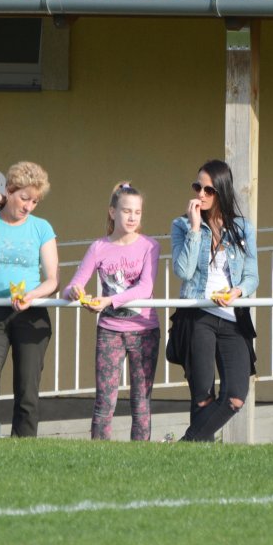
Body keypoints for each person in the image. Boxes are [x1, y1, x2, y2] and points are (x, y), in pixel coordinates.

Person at [63, 183, 160, 441]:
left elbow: (145, 288)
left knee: (141, 401)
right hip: (110, 331)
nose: (132, 217)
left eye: (137, 212)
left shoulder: (150, 246)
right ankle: (99, 454)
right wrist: (74, 292)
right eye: (126, 211)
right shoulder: (98, 247)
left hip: (145, 330)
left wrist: (109, 300)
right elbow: (74, 284)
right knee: (105, 401)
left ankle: (141, 456)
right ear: (112, 212)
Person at [171, 159, 259, 443]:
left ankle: (185, 446)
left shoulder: (243, 228)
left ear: (222, 190)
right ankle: (197, 458)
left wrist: (237, 292)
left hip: (233, 317)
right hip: (197, 313)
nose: (201, 194)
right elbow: (183, 271)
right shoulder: (182, 225)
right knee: (202, 396)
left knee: (235, 396)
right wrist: (195, 229)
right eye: (198, 187)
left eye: (209, 190)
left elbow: (252, 276)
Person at [0, 161, 58, 437]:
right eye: (24, 198)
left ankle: (24, 447)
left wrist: (32, 295)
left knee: (27, 389)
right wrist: (3, 198)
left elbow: (52, 280)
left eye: (35, 201)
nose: (29, 206)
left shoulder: (42, 227)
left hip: (31, 312)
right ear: (9, 190)